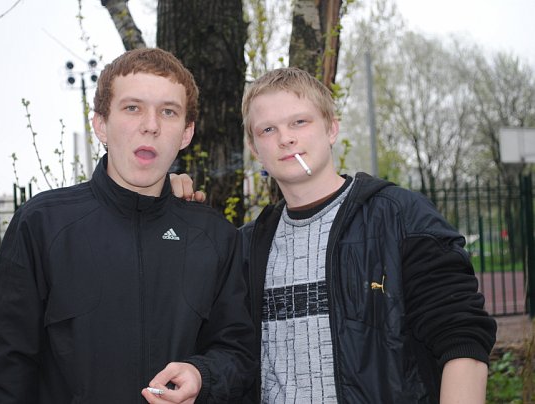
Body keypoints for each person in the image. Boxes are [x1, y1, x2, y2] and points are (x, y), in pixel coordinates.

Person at [173, 67, 497, 403]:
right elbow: (218, 351)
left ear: (331, 129)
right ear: (255, 149)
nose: (286, 138)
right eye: (268, 129)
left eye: (300, 122)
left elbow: (462, 339)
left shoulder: (399, 216)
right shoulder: (245, 248)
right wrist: (164, 208)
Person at [0, 48, 256, 404]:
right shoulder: (42, 224)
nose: (151, 125)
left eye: (168, 111)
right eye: (132, 108)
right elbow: (0, 371)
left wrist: (202, 375)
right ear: (101, 124)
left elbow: (238, 353)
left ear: (186, 133)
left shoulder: (214, 237)